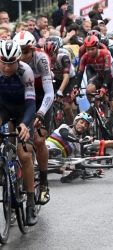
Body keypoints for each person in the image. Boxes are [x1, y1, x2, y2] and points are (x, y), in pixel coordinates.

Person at [14, 31, 54, 205]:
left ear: (33, 50)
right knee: (15, 137)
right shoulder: (12, 62)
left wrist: (41, 112)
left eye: (26, 52)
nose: (22, 57)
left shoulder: (41, 59)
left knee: (38, 140)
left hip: (41, 99)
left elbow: (49, 92)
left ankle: (44, 184)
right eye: (20, 52)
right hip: (23, 98)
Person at [0, 40, 38, 225]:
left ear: (18, 60)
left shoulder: (25, 71)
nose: (7, 67)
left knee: (24, 155)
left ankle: (30, 203)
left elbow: (31, 104)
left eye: (11, 63)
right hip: (4, 109)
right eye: (3, 62)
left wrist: (24, 124)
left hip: (24, 110)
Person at [75, 35, 113, 139]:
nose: (91, 52)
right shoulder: (85, 57)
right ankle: (96, 108)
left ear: (97, 47)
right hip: (101, 76)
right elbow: (80, 73)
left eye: (93, 49)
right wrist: (75, 88)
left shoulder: (105, 54)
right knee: (89, 89)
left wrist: (104, 88)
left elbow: (107, 72)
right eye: (88, 49)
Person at [46, 112, 98, 183]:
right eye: (81, 122)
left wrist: (93, 172)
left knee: (71, 168)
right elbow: (64, 135)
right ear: (75, 122)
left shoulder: (78, 146)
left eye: (86, 125)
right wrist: (79, 140)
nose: (83, 126)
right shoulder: (65, 127)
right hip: (45, 148)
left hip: (56, 161)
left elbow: (79, 164)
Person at [44, 40, 76, 125]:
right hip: (57, 79)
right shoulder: (44, 60)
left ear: (57, 52)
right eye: (47, 55)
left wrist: (60, 91)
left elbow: (66, 78)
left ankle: (73, 130)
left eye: (51, 55)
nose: (49, 58)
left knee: (67, 107)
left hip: (70, 79)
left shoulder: (63, 57)